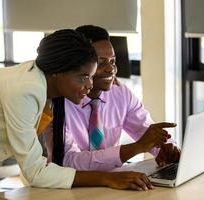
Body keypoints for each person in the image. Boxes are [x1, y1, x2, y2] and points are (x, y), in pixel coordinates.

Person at [0, 29, 154, 200]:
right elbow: (35, 171)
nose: (90, 85)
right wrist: (107, 178)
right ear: (59, 72)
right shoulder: (26, 91)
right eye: (84, 77)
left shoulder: (43, 85)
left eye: (91, 77)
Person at [41, 25, 180, 171]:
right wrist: (136, 148)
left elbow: (145, 131)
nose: (111, 69)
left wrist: (165, 148)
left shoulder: (119, 93)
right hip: (73, 184)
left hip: (113, 181)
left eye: (112, 61)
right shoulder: (57, 101)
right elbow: (68, 162)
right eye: (101, 63)